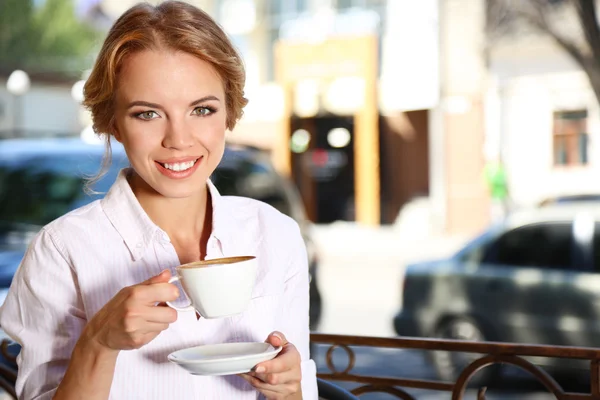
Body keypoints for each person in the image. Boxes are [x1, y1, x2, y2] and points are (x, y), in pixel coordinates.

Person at [0, 1, 317, 399]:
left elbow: (296, 386)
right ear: (112, 122)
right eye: (148, 114)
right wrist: (99, 341)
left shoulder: (274, 233)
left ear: (230, 111)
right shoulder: (62, 250)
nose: (179, 140)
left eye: (202, 109)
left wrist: (290, 391)